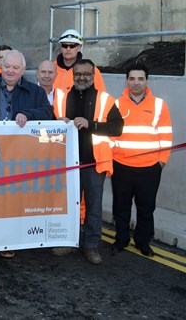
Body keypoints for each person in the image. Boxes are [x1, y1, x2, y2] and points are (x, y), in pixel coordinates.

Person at [0, 49, 53, 258]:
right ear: (0, 66)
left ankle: (9, 241)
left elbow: (48, 113)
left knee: (12, 198)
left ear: (23, 70)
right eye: (7, 66)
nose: (10, 71)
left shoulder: (36, 92)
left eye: (16, 67)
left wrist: (27, 114)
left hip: (19, 158)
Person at [52, 59, 123, 265]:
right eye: (78, 74)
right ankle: (69, 241)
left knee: (93, 207)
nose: (82, 78)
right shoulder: (62, 98)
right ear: (72, 76)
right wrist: (58, 122)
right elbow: (49, 125)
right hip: (68, 164)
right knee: (69, 206)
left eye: (86, 74)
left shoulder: (105, 99)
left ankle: (90, 246)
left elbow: (117, 128)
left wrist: (90, 124)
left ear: (94, 76)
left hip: (93, 163)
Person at [111, 64, 172, 257]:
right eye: (132, 79)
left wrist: (161, 162)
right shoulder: (117, 104)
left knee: (146, 208)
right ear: (126, 80)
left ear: (147, 81)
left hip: (149, 169)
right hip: (121, 166)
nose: (136, 83)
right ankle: (121, 239)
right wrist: (112, 159)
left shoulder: (159, 104)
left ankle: (143, 241)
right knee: (121, 206)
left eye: (140, 79)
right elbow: (110, 136)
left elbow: (166, 135)